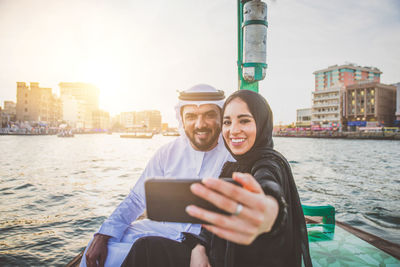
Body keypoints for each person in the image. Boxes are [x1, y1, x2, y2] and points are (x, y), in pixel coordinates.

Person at [122, 89, 312, 267]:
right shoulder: (232, 166)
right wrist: (200, 247)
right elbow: (211, 223)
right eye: (227, 122)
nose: (233, 130)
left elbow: (269, 190)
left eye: (244, 121)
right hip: (217, 255)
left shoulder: (270, 162)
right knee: (145, 246)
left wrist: (268, 213)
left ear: (261, 123)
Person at [80, 84, 234, 267]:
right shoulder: (167, 153)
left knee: (146, 250)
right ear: (182, 121)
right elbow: (137, 198)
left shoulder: (232, 155)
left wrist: (201, 245)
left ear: (221, 117)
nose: (200, 124)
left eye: (209, 115)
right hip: (162, 230)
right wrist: (103, 234)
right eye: (191, 116)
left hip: (204, 243)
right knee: (102, 248)